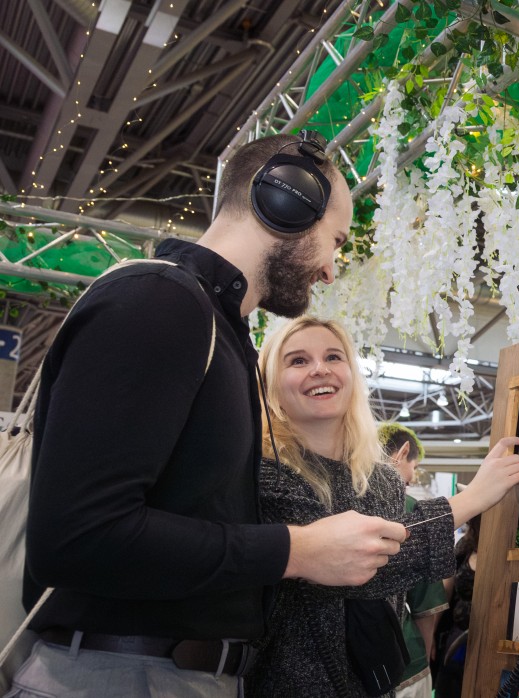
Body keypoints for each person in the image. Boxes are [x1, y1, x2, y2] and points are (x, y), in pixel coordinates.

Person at [17, 133, 409, 696]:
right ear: (285, 199)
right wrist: (296, 550)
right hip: (124, 678)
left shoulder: (217, 331)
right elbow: (79, 536)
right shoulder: (160, 304)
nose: (329, 269)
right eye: (335, 240)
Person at [248, 317, 519, 695]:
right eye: (297, 361)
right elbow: (355, 564)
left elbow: (394, 583)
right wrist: (471, 499)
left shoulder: (381, 478)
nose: (319, 369)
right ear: (270, 382)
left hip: (373, 680)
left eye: (334, 356)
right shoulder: (260, 471)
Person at [379, 422, 448, 698]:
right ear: (401, 453)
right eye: (414, 466)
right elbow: (426, 606)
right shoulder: (412, 511)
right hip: (404, 663)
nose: (414, 478)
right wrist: (425, 655)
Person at [432, 514, 481, 698]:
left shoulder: (501, 548)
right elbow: (444, 593)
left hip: (488, 640)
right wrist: (432, 637)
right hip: (457, 639)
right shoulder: (464, 548)